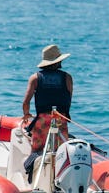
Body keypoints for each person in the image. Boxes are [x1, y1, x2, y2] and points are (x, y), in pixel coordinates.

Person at [21, 44, 73, 179]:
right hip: (60, 118)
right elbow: (68, 100)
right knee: (60, 152)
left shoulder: (35, 78)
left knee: (37, 151)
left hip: (43, 120)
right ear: (59, 61)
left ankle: (34, 178)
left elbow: (26, 102)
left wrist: (26, 114)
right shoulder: (67, 78)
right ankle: (60, 178)